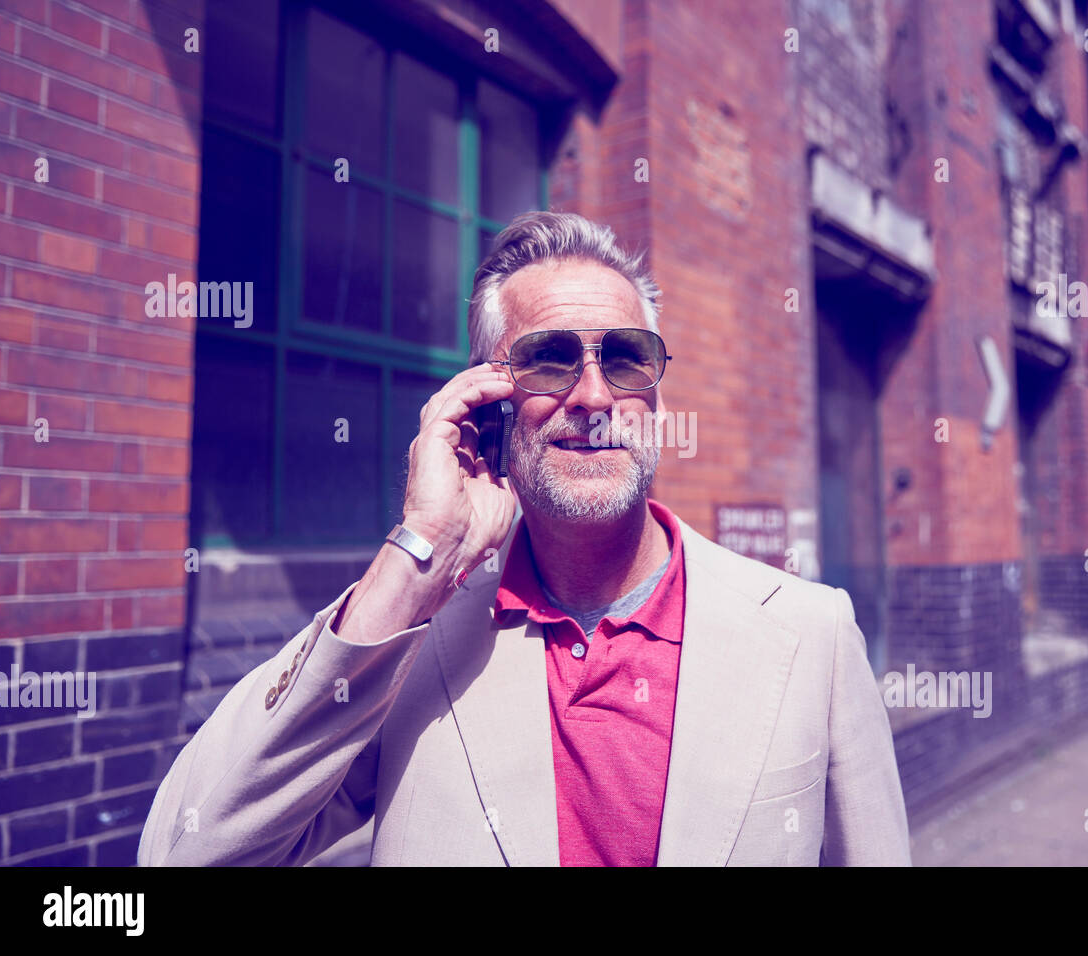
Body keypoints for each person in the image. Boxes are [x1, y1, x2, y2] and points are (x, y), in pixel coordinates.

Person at [138, 211, 910, 866]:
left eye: (625, 358)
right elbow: (189, 850)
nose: (595, 396)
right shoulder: (414, 644)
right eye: (549, 360)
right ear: (489, 401)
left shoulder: (811, 635)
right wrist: (417, 557)